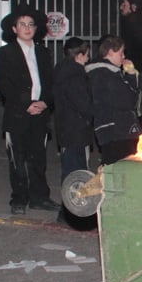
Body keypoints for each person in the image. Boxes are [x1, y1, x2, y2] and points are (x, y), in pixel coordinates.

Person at [0, 4, 57, 215]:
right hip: (18, 113)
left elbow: (49, 82)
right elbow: (5, 85)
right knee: (18, 159)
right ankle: (19, 198)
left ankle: (40, 197)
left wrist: (45, 102)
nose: (27, 28)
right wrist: (25, 104)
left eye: (31, 24)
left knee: (38, 158)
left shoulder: (42, 52)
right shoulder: (6, 53)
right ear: (14, 29)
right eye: (22, 24)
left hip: (39, 113)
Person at [87, 35, 142, 164]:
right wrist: (131, 75)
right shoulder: (107, 74)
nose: (123, 56)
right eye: (121, 52)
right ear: (110, 52)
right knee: (121, 169)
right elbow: (129, 101)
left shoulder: (101, 72)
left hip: (113, 130)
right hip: (118, 131)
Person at [53, 37, 94, 184]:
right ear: (79, 56)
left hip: (67, 129)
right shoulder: (75, 75)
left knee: (70, 170)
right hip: (77, 131)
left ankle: (70, 203)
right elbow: (84, 104)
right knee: (77, 173)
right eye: (87, 55)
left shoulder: (62, 71)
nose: (88, 59)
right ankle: (74, 204)